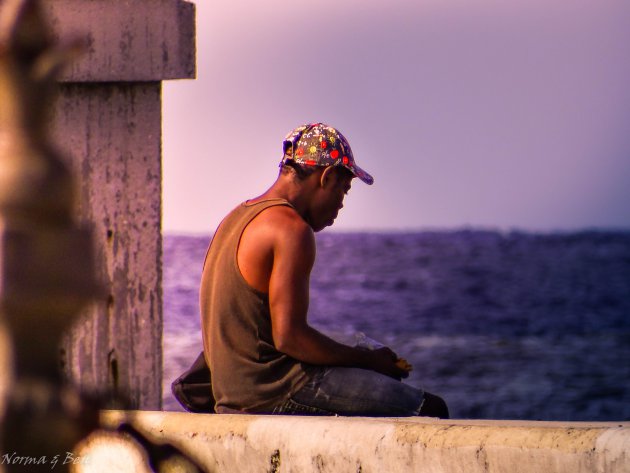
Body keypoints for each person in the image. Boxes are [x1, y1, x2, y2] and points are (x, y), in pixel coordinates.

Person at [199, 122, 448, 418]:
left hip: (230, 396)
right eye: (343, 189)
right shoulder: (291, 230)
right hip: (272, 392)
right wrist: (367, 361)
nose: (341, 203)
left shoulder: (235, 218)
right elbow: (290, 337)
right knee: (431, 409)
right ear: (326, 177)